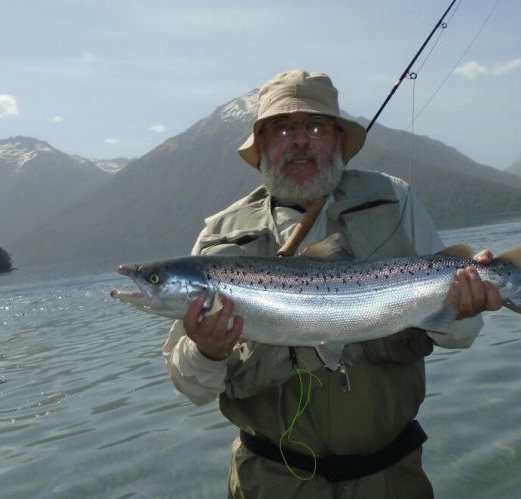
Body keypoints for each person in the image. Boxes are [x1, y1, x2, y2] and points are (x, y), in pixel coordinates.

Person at [162, 69, 501, 498]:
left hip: (390, 477)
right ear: (261, 146)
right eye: (283, 128)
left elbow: (465, 334)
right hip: (271, 481)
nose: (300, 140)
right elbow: (189, 385)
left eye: (316, 127)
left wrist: (461, 308)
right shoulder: (217, 238)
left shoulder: (395, 201)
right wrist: (208, 351)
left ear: (340, 142)